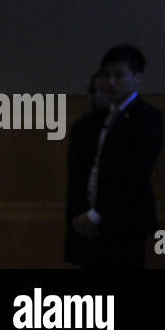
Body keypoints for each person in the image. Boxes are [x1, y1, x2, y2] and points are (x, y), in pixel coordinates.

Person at [67, 44, 164, 269]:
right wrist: (81, 212)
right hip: (93, 218)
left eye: (119, 75)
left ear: (137, 77)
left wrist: (97, 214)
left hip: (124, 222)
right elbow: (85, 170)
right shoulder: (101, 117)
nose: (111, 82)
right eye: (107, 75)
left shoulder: (148, 118)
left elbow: (135, 175)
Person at [64, 70, 109, 266]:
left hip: (115, 217)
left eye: (103, 90)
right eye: (95, 90)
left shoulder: (127, 125)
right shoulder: (82, 127)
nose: (98, 95)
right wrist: (79, 214)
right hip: (83, 211)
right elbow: (75, 176)